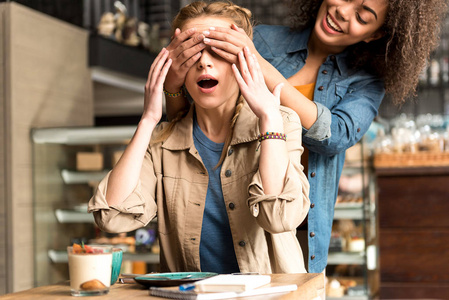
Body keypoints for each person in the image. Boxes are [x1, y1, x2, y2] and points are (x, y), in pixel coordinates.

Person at [163, 0, 448, 274]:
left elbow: (334, 136)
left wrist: (259, 66)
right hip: (231, 209)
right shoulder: (261, 39)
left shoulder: (366, 81)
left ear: (376, 34)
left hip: (300, 229)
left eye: (363, 17)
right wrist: (172, 87)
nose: (342, 11)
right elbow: (190, 116)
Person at [88, 1, 310, 275]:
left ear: (244, 61)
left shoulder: (281, 123)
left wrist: (269, 118)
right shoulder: (161, 142)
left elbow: (280, 218)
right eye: (192, 52)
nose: (204, 61)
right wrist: (148, 120)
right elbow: (112, 218)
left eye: (218, 50)